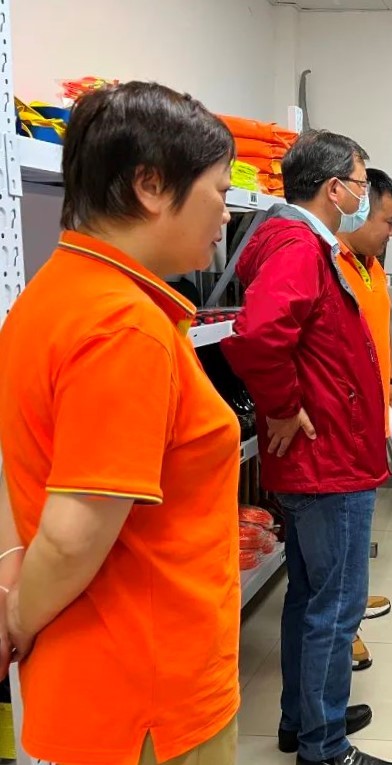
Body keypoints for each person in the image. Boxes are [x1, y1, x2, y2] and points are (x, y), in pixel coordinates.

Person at [0, 82, 241, 765]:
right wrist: (16, 619)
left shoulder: (49, 296)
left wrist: (11, 585)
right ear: (151, 186)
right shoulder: (122, 327)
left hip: (95, 680)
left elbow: (17, 466)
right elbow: (72, 536)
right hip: (147, 697)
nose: (226, 212)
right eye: (219, 190)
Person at [220, 130, 392, 765]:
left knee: (308, 596)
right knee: (335, 606)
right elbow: (258, 336)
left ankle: (304, 717)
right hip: (329, 463)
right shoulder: (298, 246)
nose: (363, 195)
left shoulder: (305, 244)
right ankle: (324, 747)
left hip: (324, 458)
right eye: (360, 182)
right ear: (334, 188)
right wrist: (283, 405)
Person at [336, 168, 392, 671]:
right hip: (344, 426)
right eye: (387, 220)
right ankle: (346, 628)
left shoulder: (372, 267)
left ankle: (354, 603)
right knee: (339, 539)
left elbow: (379, 332)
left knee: (359, 529)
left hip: (374, 418)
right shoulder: (330, 264)